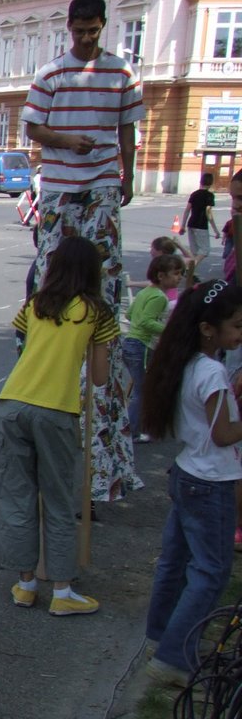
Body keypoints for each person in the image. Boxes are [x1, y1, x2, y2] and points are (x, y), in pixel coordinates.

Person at [21, 0, 146, 505]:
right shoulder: (52, 73)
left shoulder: (120, 73)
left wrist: (128, 174)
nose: (87, 39)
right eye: (80, 31)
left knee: (101, 275)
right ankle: (50, 317)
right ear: (69, 28)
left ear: (103, 26)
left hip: (101, 182)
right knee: (53, 272)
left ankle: (99, 318)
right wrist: (67, 142)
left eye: (94, 31)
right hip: (60, 182)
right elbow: (33, 126)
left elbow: (127, 127)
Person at [0, 236, 118, 616]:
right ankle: (62, 589)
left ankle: (25, 584)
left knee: (18, 497)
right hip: (56, 409)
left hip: (14, 400)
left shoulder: (35, 304)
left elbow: (25, 349)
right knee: (59, 501)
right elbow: (99, 378)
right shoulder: (97, 312)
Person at [140, 280, 242, 683]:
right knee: (211, 571)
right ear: (207, 329)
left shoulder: (186, 363)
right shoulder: (213, 371)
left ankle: (161, 636)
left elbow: (209, 420)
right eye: (237, 326)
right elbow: (224, 434)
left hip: (188, 473)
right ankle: (173, 659)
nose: (240, 334)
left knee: (176, 561)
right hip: (211, 481)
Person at [127, 254, 186, 441]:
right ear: (161, 276)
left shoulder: (145, 292)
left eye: (181, 273)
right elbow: (146, 322)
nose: (180, 277)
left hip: (131, 342)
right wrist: (169, 330)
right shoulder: (160, 297)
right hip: (142, 345)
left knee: (140, 389)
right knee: (143, 391)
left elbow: (129, 314)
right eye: (176, 273)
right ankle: (134, 431)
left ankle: (135, 427)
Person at [179, 172, 216, 272]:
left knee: (194, 252)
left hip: (191, 224)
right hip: (201, 225)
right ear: (211, 183)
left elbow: (187, 210)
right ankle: (189, 268)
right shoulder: (209, 196)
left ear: (201, 182)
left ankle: (191, 272)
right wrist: (215, 230)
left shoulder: (194, 194)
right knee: (204, 250)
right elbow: (208, 212)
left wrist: (183, 226)